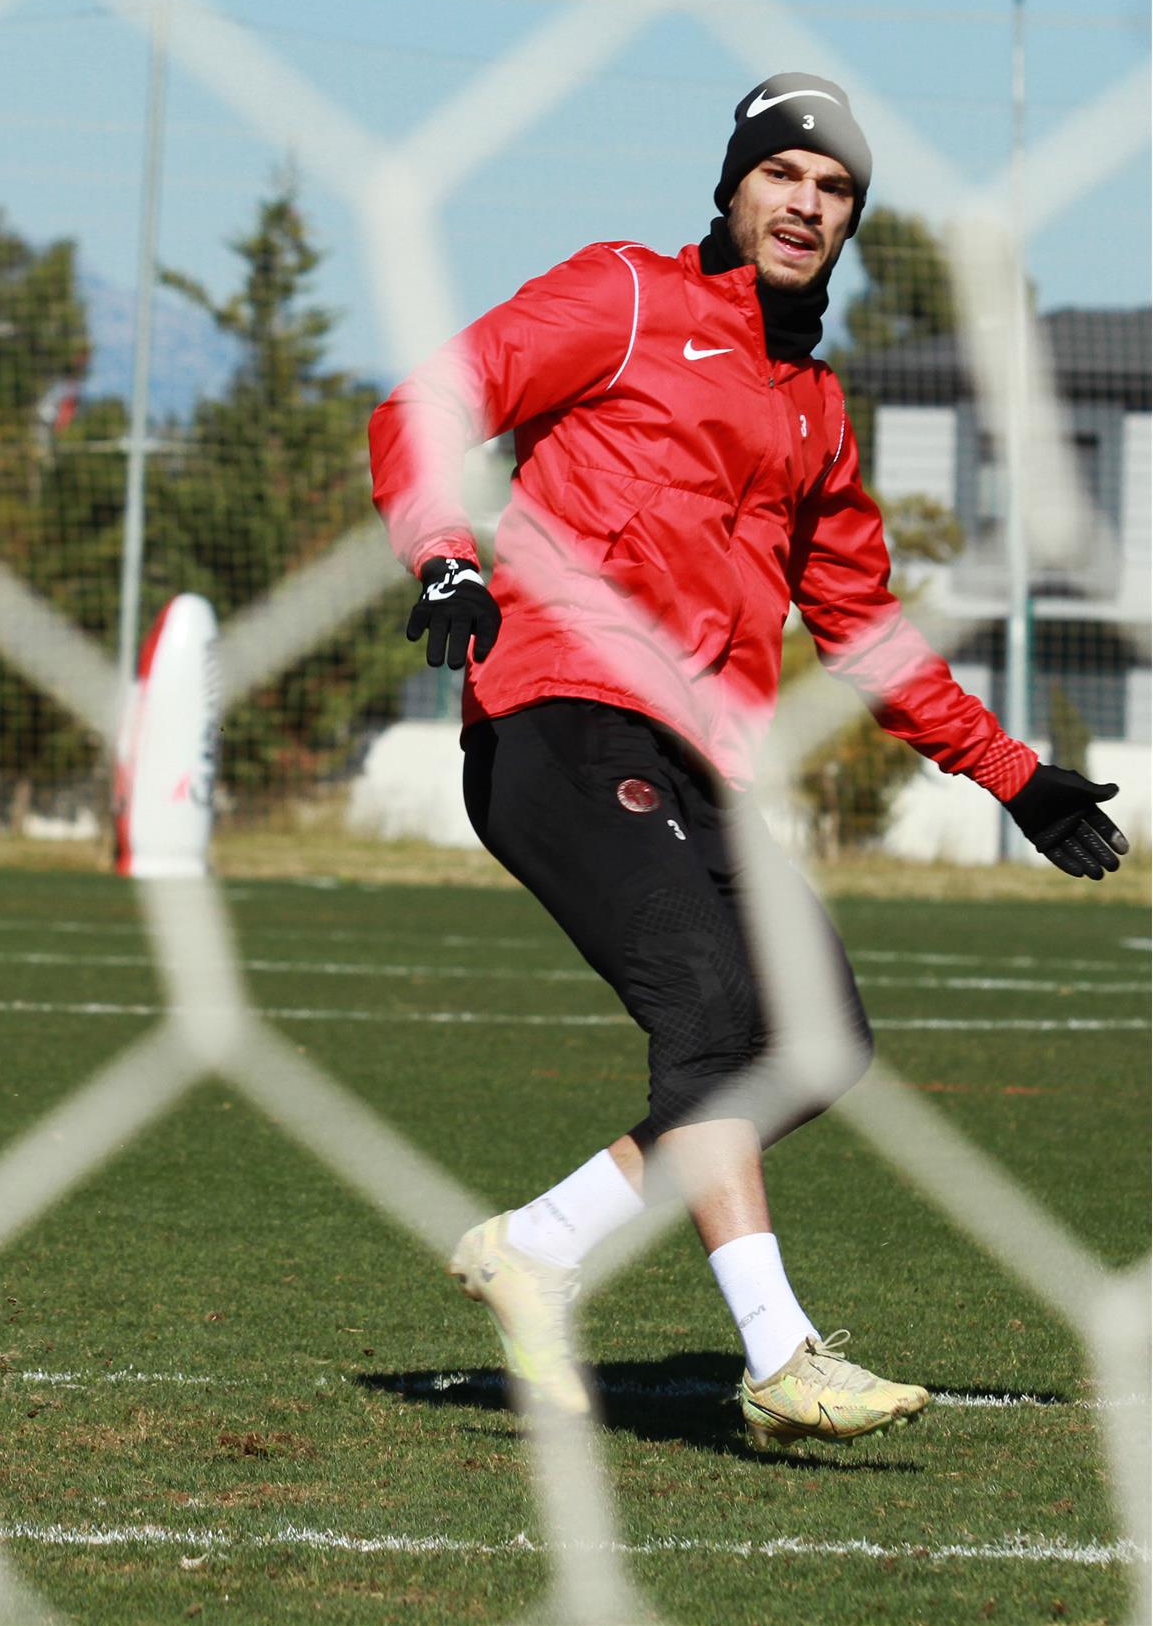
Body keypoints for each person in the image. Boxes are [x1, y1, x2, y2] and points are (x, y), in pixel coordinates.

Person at [367, 73, 1129, 1449]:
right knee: (713, 1022)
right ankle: (779, 1351)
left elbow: (863, 626)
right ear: (733, 185)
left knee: (813, 1039)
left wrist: (1013, 770)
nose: (807, 202)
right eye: (785, 172)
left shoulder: (819, 411)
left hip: (696, 757)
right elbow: (425, 406)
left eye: (836, 188)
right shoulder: (626, 295)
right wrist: (443, 556)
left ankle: (538, 1243)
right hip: (558, 711)